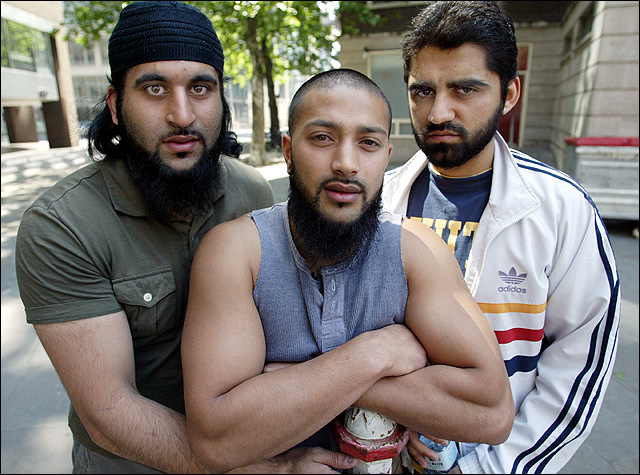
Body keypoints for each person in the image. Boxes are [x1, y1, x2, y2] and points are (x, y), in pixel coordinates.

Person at [14, 2, 359, 473]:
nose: (182, 114)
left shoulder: (251, 191)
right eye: (154, 88)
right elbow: (108, 413)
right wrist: (267, 469)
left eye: (200, 88)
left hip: (256, 439)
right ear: (115, 105)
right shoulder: (62, 226)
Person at [181, 68, 515, 474]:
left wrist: (306, 379)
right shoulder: (236, 252)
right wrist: (375, 354)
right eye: (322, 138)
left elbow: (492, 414)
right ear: (288, 150)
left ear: (386, 156)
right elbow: (216, 440)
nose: (346, 163)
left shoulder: (417, 251)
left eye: (368, 143)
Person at [382, 2, 621, 473]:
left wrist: (487, 468)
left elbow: (579, 365)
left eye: (465, 89)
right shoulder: (377, 202)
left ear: (509, 94)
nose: (439, 111)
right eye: (423, 91)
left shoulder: (562, 211)